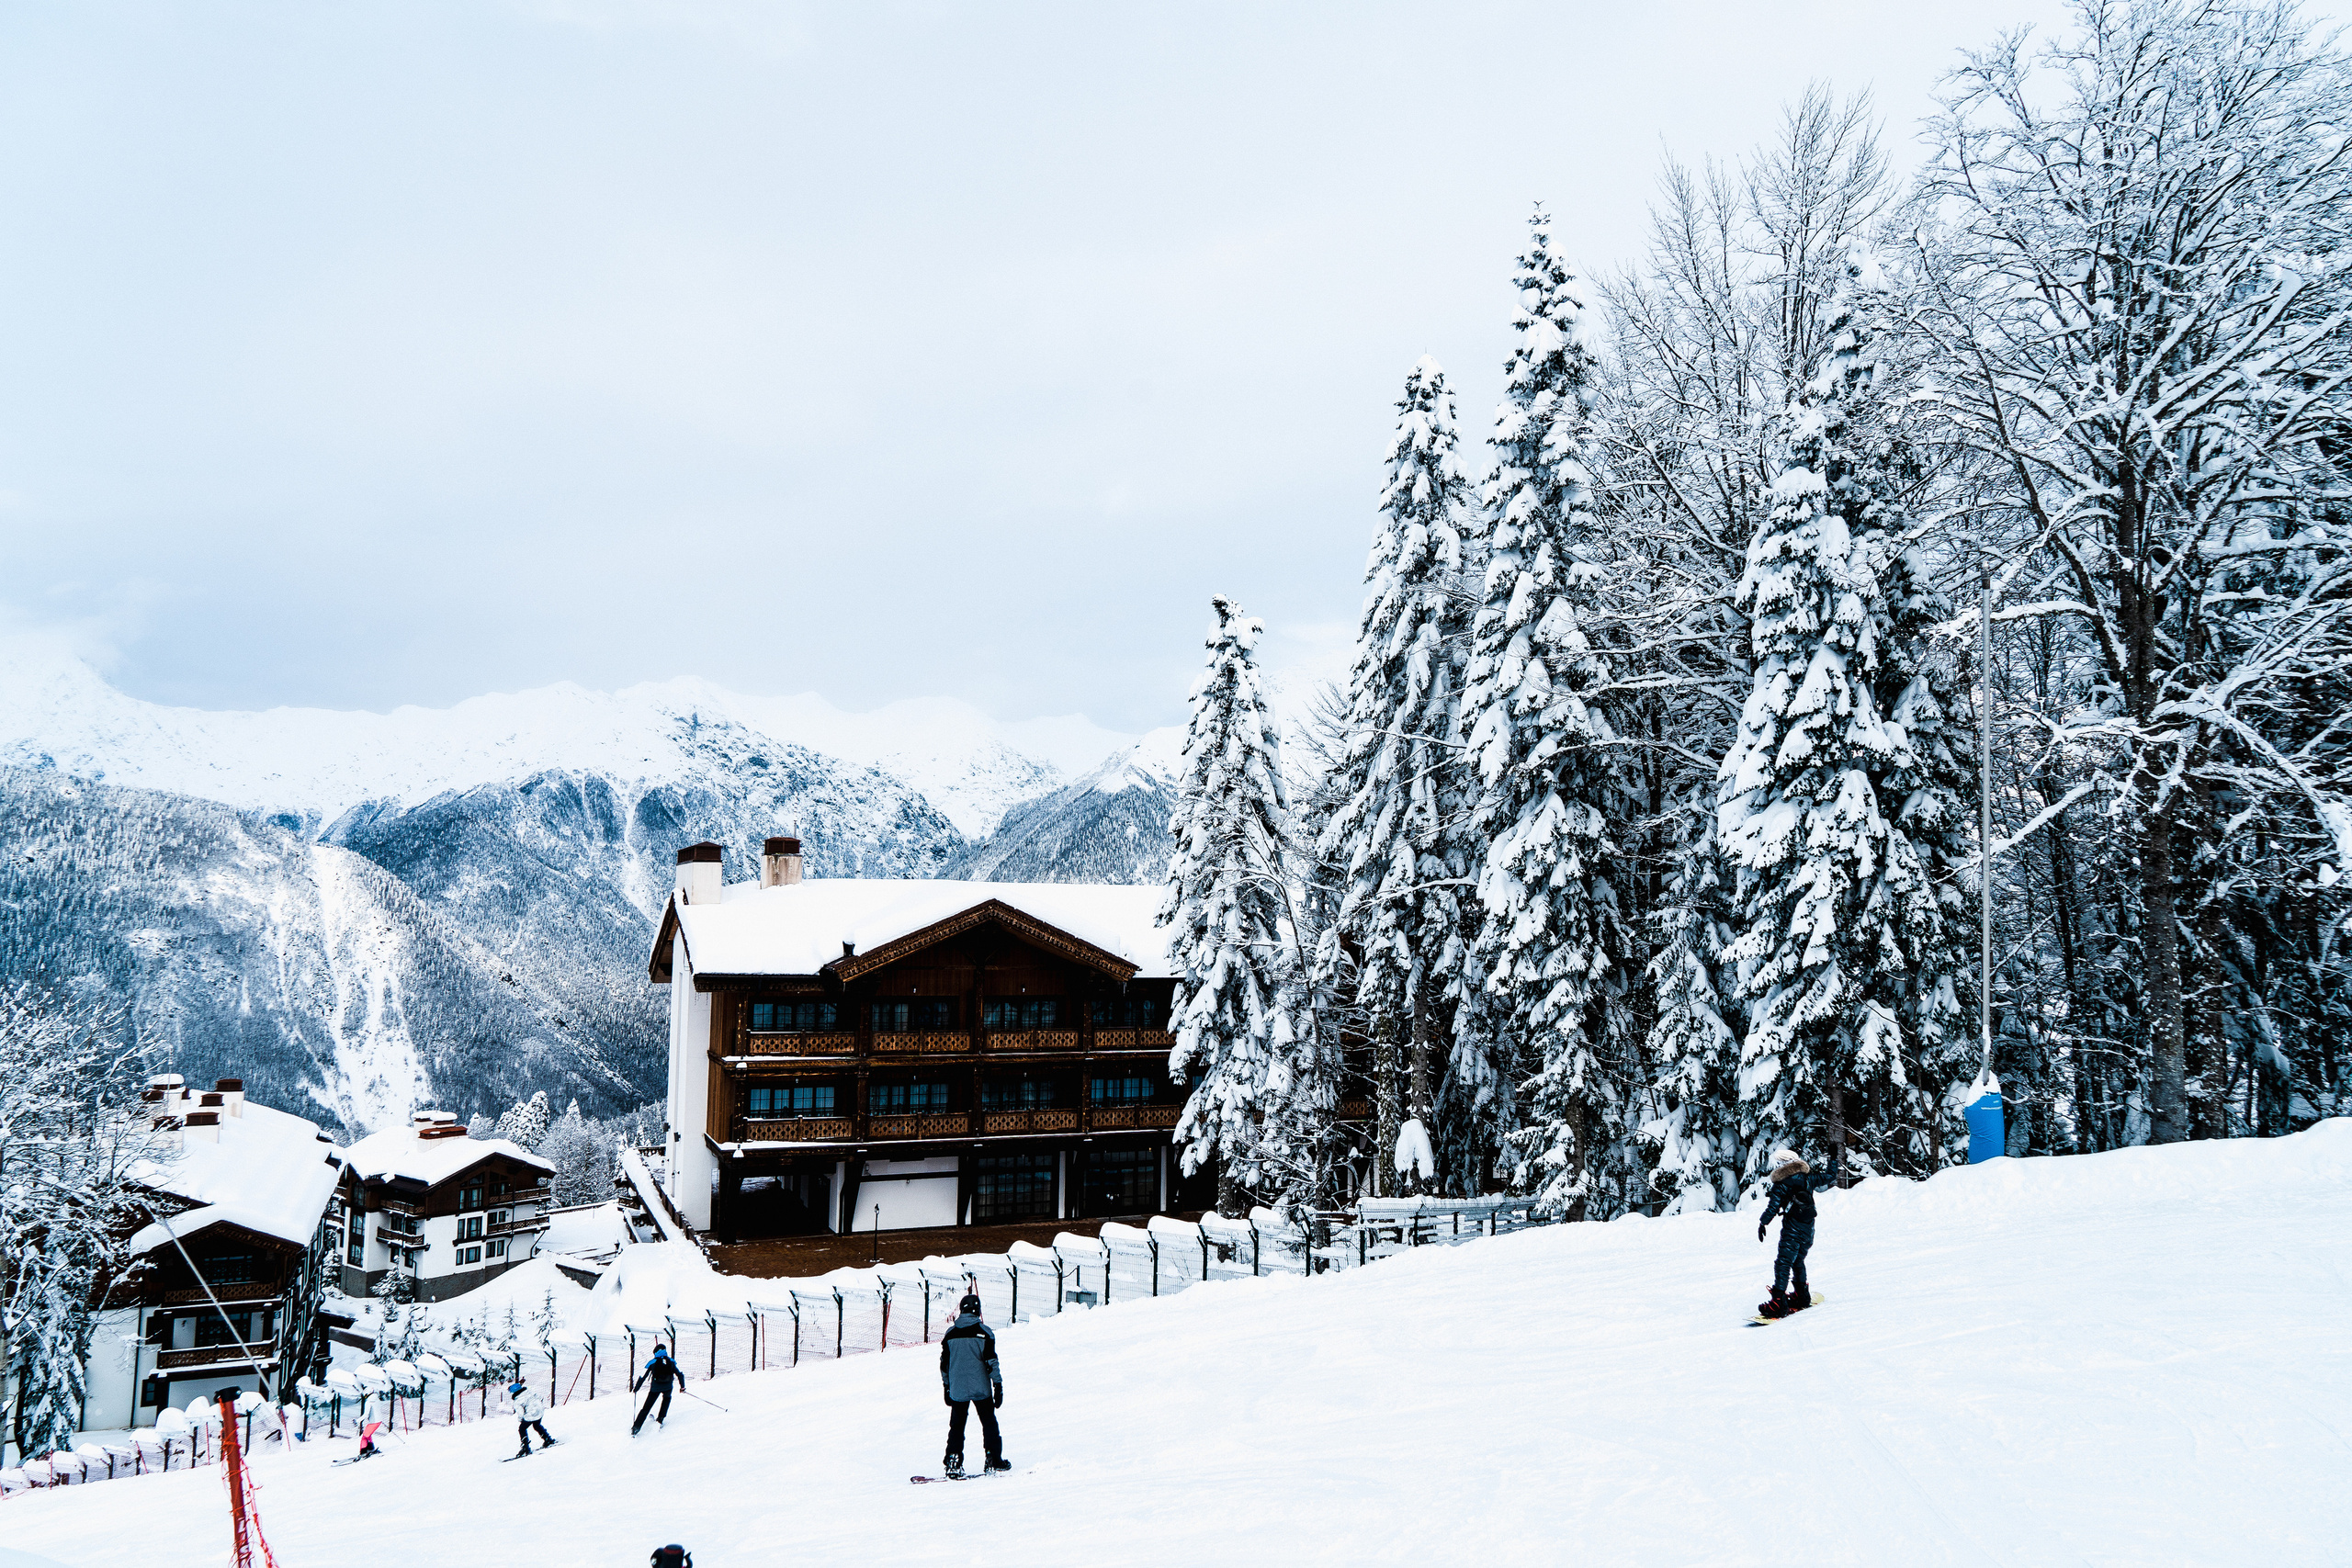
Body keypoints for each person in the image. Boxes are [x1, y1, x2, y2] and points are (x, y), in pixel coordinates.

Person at [1757, 1143, 1843, 1318]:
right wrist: (1833, 1158)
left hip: (1792, 1230)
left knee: (1783, 1263)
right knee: (1798, 1261)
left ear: (1781, 1165)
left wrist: (1763, 1223)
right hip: (1809, 1229)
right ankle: (1801, 1296)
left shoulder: (1781, 1184)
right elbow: (1830, 1175)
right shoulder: (1808, 1178)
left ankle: (1778, 1302)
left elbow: (1773, 1208)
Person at [937, 1292, 1007, 1476]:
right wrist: (998, 1385)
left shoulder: (950, 1334)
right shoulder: (985, 1333)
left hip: (958, 1389)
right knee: (989, 1423)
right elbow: (992, 1362)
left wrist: (947, 1386)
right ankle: (993, 1458)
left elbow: (944, 1365)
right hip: (981, 1388)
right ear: (978, 1311)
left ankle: (953, 1460)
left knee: (957, 1426)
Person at [632, 1344, 682, 1435]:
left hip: (655, 1388)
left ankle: (636, 1427)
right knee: (666, 1400)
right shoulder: (671, 1361)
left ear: (655, 1352)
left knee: (647, 1407)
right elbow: (680, 1374)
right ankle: (660, 1419)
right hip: (668, 1387)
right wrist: (682, 1387)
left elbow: (643, 1376)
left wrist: (636, 1388)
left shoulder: (652, 1362)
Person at [509, 1380, 554, 1456]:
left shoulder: (517, 1401)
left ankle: (525, 1447)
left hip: (531, 1414)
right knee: (537, 1425)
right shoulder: (530, 1392)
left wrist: (521, 1420)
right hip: (540, 1411)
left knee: (522, 1429)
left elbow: (521, 1413)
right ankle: (547, 1439)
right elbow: (540, 1397)